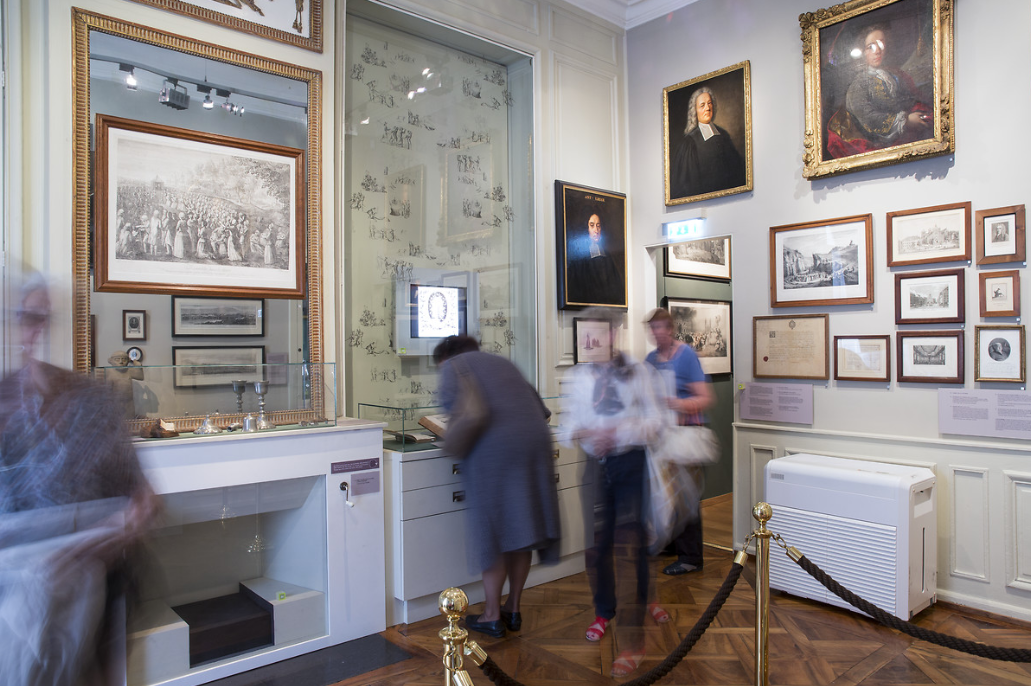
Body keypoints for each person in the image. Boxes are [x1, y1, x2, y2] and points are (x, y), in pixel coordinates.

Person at [0, 270, 159, 685]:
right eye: (23, 318)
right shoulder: (3, 403)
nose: (32, 332)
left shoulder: (93, 399)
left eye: (42, 319)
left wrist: (105, 537)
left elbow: (143, 497)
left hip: (93, 603)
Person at [433, 335, 561, 639]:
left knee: (494, 532)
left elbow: (458, 418)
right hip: (535, 450)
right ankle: (512, 609)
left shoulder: (454, 367)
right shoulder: (504, 363)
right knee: (522, 530)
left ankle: (491, 615)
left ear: (445, 358)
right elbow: (543, 411)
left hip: (495, 455)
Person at [563, 310, 667, 677]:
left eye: (596, 335)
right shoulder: (576, 377)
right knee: (598, 546)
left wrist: (619, 431)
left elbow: (656, 423)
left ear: (613, 335)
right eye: (584, 336)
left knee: (630, 548)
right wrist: (587, 434)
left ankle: (633, 640)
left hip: (630, 464)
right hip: (595, 467)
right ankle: (603, 611)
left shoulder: (640, 373)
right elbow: (567, 426)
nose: (589, 343)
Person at [644, 308, 715, 576]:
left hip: (687, 434)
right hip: (664, 435)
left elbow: (705, 398)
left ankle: (691, 557)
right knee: (667, 494)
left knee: (686, 497)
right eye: (652, 328)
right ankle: (671, 545)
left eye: (661, 327)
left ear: (671, 329)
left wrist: (677, 403)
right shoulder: (651, 358)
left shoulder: (685, 356)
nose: (656, 332)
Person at [826, 23, 931, 158]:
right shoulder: (859, 84)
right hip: (880, 142)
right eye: (870, 47)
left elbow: (910, 98)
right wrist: (905, 121)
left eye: (880, 44)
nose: (877, 51)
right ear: (863, 52)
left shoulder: (896, 75)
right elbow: (867, 117)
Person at [669, 87, 746, 199]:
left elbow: (738, 170)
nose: (707, 108)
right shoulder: (690, 143)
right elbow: (687, 186)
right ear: (694, 111)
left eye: (709, 103)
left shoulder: (723, 135)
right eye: (702, 105)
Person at [565, 210, 625, 306]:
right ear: (586, 228)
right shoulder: (578, 259)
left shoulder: (607, 256)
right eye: (592, 225)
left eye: (598, 226)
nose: (596, 231)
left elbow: (616, 290)